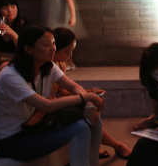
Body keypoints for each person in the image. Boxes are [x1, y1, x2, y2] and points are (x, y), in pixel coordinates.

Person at [0, 26, 119, 166]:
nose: (53, 49)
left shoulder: (46, 66)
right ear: (28, 49)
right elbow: (46, 105)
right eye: (46, 45)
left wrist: (88, 103)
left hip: (34, 126)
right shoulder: (11, 76)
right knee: (79, 129)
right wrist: (85, 98)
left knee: (92, 117)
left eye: (54, 44)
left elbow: (73, 86)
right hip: (12, 140)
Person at [52, 27, 132, 159]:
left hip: (59, 102)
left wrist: (89, 92)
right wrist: (85, 96)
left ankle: (100, 145)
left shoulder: (60, 65)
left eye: (72, 51)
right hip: (51, 107)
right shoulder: (49, 67)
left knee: (91, 108)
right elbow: (55, 96)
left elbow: (63, 90)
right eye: (67, 51)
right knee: (88, 111)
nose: (70, 56)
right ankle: (115, 145)